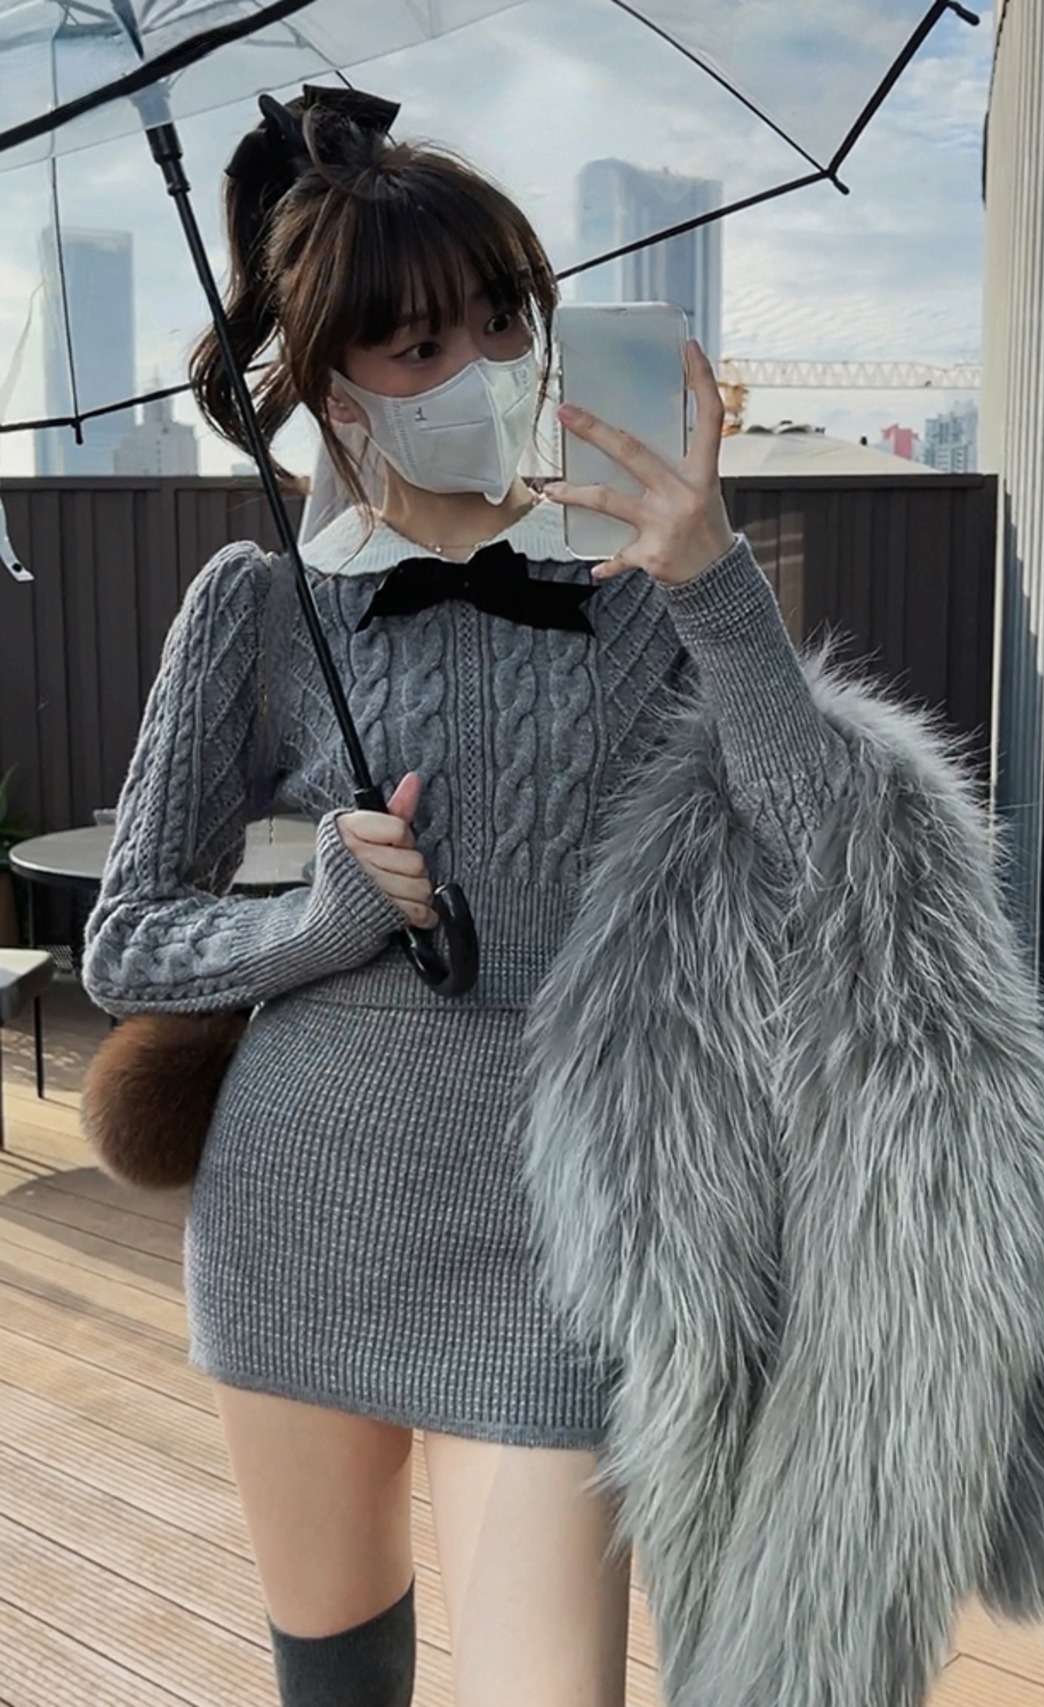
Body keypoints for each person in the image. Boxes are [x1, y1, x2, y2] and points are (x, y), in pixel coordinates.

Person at [79, 87, 858, 1707]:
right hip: (300, 1208)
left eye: (505, 319)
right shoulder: (259, 606)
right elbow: (127, 938)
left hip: (571, 1227)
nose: (483, 367)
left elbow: (828, 856)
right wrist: (317, 921)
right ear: (330, 390)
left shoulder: (649, 589)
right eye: (418, 346)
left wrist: (714, 583)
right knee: (337, 1679)